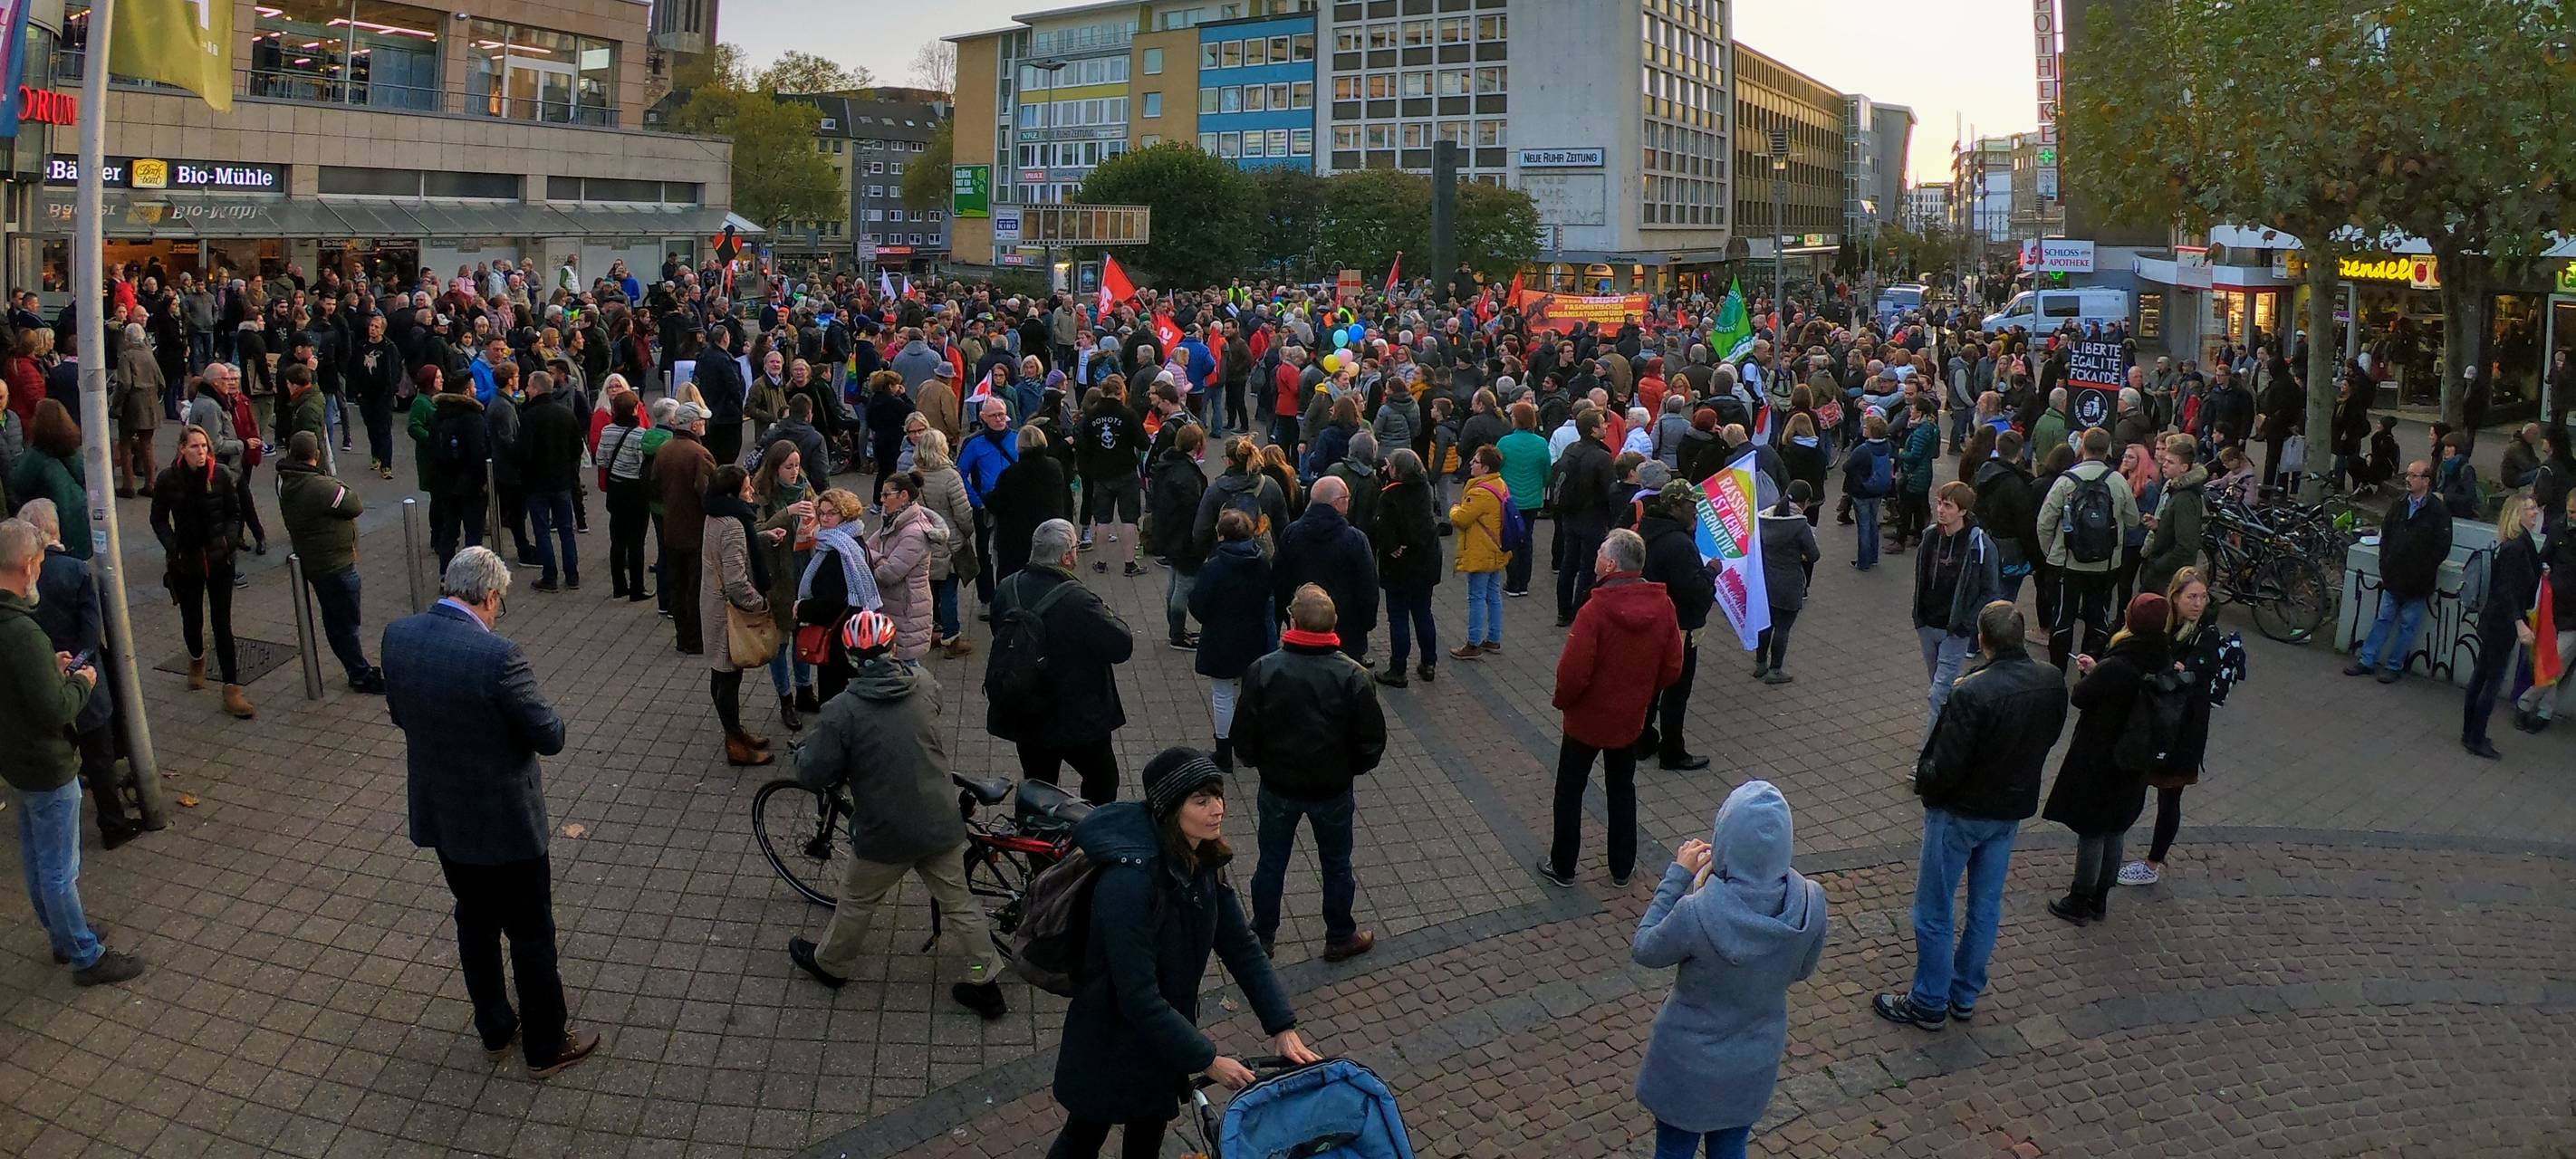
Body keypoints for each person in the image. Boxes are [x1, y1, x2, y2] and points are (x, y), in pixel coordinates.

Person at [383, 547, 599, 1078]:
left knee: (474, 921)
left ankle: (495, 1027)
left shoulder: (399, 636)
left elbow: (400, 714)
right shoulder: (497, 657)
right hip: (507, 824)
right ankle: (546, 1045)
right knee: (530, 934)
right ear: (491, 595)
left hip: (445, 816)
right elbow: (549, 735)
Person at [1043, 748, 1320, 1159]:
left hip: (1162, 1038)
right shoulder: (1128, 884)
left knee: (1146, 1140)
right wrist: (1208, 1059)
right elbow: (1136, 995)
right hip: (1108, 1038)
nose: (1219, 809)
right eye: (1202, 800)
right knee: (1083, 1136)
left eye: (1218, 796)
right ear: (1170, 809)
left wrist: (1282, 1025)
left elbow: (1241, 946)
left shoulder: (1201, 860)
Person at [783, 608, 1009, 1017]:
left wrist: (807, 757)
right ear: (891, 648)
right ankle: (984, 978)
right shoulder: (923, 683)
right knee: (959, 903)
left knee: (856, 899)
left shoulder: (842, 710)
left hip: (885, 832)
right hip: (940, 819)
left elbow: (815, 772)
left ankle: (831, 965)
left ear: (848, 656)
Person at [1872, 602, 2069, 1031]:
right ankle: (1963, 994)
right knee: (1985, 905)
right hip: (2008, 810)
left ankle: (1928, 1000)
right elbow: (2049, 735)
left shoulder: (1971, 691)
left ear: (1983, 640)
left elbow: (1946, 763)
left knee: (1935, 908)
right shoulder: (2051, 680)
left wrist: (1926, 785)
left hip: (1961, 812)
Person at [1630, 781, 1826, 1159]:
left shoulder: (1697, 912)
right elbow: (1802, 970)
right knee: (1731, 1147)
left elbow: (1645, 948)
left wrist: (1678, 876)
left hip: (1686, 1066)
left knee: (1674, 1149)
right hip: (1753, 1062)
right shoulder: (1810, 904)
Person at [0, 517, 141, 984]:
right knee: (59, 867)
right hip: (47, 764)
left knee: (37, 857)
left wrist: (49, 667)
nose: (41, 570)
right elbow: (54, 709)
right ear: (25, 566)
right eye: (39, 563)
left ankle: (64, 933)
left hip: (16, 760)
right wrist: (80, 682)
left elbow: (24, 688)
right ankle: (84, 953)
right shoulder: (20, 633)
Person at [1233, 583, 1387, 961]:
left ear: (1292, 620)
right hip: (1332, 790)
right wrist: (1346, 770)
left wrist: (1262, 764)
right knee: (1336, 863)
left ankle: (1262, 936)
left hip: (1278, 786)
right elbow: (1371, 743)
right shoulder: (1353, 676)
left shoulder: (1263, 669)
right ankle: (1339, 935)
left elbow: (1243, 736)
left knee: (1270, 861)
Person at [1539, 530, 1685, 888]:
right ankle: (1622, 867)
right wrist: (1642, 693)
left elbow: (1572, 673)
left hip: (1586, 720)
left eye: (1600, 551)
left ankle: (1564, 865)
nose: (1596, 557)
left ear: (1610, 563)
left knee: (1570, 789)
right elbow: (1672, 667)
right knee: (1622, 789)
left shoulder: (1595, 610)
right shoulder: (1663, 605)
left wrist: (1563, 702)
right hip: (1629, 719)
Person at [2042, 593, 2173, 926]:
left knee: (2092, 829)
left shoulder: (2119, 663)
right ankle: (2101, 897)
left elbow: (2082, 698)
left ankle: (2080, 897)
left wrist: (2090, 674)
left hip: (2102, 754)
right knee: (2117, 827)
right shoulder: (2161, 658)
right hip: (2135, 758)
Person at [16, 501, 140, 849]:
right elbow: (90, 632)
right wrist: (82, 669)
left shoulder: (19, 577)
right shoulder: (76, 571)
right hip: (81, 678)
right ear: (56, 528)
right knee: (100, 757)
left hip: (41, 678)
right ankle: (112, 823)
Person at [987, 519, 1134, 802]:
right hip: (1078, 717)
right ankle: (1092, 833)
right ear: (1067, 557)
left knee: (1037, 785)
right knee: (1102, 779)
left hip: (1025, 709)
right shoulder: (1079, 601)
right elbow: (1121, 646)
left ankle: (1036, 841)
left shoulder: (1008, 587)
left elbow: (999, 631)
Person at [2119, 568, 2248, 885]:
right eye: (2192, 596)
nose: (2198, 603)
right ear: (2174, 596)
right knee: (2132, 787)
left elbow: (2193, 676)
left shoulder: (2207, 634)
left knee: (2169, 796)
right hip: (2156, 721)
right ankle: (2112, 846)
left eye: (2203, 597)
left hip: (2183, 729)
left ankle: (2151, 865)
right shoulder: (2165, 626)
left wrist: (2178, 671)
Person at [150, 425, 255, 719]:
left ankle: (232, 688)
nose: (201, 452)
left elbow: (235, 513)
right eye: (195, 446)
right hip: (187, 562)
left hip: (220, 560)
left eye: (205, 447)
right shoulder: (169, 479)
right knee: (192, 618)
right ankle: (196, 657)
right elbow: (158, 518)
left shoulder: (220, 475)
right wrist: (173, 547)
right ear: (182, 449)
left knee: (222, 623)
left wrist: (229, 541)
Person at [275, 431, 383, 693]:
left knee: (338, 620)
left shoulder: (286, 479)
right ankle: (359, 673)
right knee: (345, 623)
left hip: (318, 560)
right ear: (316, 454)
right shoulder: (318, 486)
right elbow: (354, 503)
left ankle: (356, 667)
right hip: (333, 564)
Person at [2036, 428, 2141, 672]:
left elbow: (2044, 522)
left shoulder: (2066, 480)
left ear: (2082, 447)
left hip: (2067, 563)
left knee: (2063, 618)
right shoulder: (2117, 481)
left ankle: (2056, 670)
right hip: (2105, 564)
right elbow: (2133, 520)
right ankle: (2089, 668)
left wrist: (2051, 552)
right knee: (2097, 618)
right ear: (2108, 451)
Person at [2343, 459, 2453, 684]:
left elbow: (2441, 547)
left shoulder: (2437, 511)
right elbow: (2387, 534)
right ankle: (2368, 660)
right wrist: (2386, 563)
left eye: (2414, 476)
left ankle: (2394, 665)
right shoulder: (2400, 504)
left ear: (2426, 480)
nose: (2408, 480)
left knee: (2408, 625)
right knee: (2383, 618)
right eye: (2408, 475)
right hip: (2394, 576)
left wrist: (2422, 570)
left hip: (2418, 581)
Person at [1913, 481, 2003, 738]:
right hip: (1928, 625)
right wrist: (1918, 616)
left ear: (1963, 511)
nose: (1940, 510)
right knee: (1939, 688)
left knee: (1938, 692)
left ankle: (1928, 756)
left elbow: (1990, 590)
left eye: (1948, 506)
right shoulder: (1930, 536)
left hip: (1955, 630)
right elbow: (1921, 575)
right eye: (1940, 503)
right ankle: (1952, 727)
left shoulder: (1980, 545)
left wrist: (1966, 623)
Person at [1188, 509, 1275, 771]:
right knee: (1245, 694)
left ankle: (1223, 751)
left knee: (1222, 695)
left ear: (1222, 535)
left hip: (1221, 639)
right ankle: (1247, 745)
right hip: (1254, 637)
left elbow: (1199, 605)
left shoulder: (1213, 567)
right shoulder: (1262, 562)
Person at [1638, 479, 1716, 769]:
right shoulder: (1679, 544)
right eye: (1690, 506)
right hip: (1680, 629)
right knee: (1676, 691)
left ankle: (1642, 740)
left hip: (1654, 624)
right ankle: (1673, 751)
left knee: (1651, 686)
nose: (1695, 512)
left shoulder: (1650, 531)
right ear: (1673, 506)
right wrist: (1711, 573)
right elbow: (1694, 591)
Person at [703, 465, 776, 766]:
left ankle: (735, 733)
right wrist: (760, 604)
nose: (752, 492)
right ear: (733, 493)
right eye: (747, 488)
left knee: (719, 674)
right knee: (728, 677)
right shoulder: (734, 523)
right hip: (728, 610)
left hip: (712, 603)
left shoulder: (713, 513)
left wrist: (760, 537)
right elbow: (736, 581)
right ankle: (735, 742)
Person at [1271, 474, 1379, 666]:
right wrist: (1367, 623)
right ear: (1337, 502)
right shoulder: (1355, 539)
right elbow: (1368, 587)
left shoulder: (1291, 533)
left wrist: (1284, 616)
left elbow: (1279, 579)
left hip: (1302, 627)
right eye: (1347, 497)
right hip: (1346, 630)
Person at [795, 489, 882, 706]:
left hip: (837, 636)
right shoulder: (847, 541)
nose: (824, 518)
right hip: (851, 633)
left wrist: (802, 608)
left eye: (831, 513)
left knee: (832, 696)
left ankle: (834, 737)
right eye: (821, 513)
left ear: (845, 515)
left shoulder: (840, 551)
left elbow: (833, 602)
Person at [752, 441, 818, 728]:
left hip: (805, 572)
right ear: (774, 468)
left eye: (796, 465)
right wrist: (787, 513)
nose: (794, 472)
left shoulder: (805, 486)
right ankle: (785, 698)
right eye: (788, 467)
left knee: (803, 637)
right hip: (777, 578)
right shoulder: (761, 494)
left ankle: (804, 689)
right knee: (780, 642)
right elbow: (752, 532)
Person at [1371, 448, 1442, 686]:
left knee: (1399, 617)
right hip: (1426, 563)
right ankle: (1429, 662)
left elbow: (1383, 528)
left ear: (1396, 470)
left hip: (1400, 567)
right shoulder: (1423, 489)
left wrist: (1391, 546)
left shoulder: (1391, 495)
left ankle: (1398, 668)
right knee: (1423, 613)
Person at [653, 403, 718, 654]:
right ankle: (695, 639)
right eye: (702, 420)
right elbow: (707, 494)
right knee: (696, 587)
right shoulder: (699, 454)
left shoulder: (665, 450)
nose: (704, 424)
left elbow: (655, 484)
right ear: (694, 425)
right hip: (696, 531)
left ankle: (682, 637)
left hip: (671, 528)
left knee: (677, 585)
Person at [914, 430, 981, 657]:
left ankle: (931, 631)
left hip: (922, 540)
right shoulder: (951, 477)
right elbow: (963, 514)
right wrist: (967, 534)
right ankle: (951, 638)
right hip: (948, 541)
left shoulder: (912, 474)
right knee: (948, 591)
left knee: (927, 590)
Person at [2514, 491, 2576, 733]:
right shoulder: (2560, 528)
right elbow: (2544, 556)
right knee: (2554, 665)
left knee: (2555, 665)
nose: (2571, 517)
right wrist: (2545, 568)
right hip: (2554, 608)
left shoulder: (2561, 527)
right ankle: (2544, 711)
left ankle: (2527, 703)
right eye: (2570, 512)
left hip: (2570, 614)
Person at [517, 370, 583, 592]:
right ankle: (572, 575)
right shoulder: (565, 414)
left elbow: (523, 452)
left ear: (536, 389)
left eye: (528, 385)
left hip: (537, 483)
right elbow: (577, 447)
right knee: (566, 529)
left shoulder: (528, 417)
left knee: (542, 529)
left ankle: (550, 575)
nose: (526, 389)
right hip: (562, 481)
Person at [1146, 423, 1210, 651]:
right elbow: (1194, 509)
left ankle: (1175, 628)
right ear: (1197, 444)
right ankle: (1177, 633)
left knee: (1174, 582)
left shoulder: (1167, 465)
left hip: (1168, 533)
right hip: (1184, 537)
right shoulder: (1187, 474)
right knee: (1183, 585)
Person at [1553, 408, 1619, 626]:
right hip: (1593, 518)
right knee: (1589, 567)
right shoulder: (1602, 457)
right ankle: (1580, 611)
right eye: (1602, 423)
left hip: (1569, 516)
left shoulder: (1571, 449)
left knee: (1568, 563)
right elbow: (1611, 491)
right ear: (1593, 430)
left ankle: (1563, 612)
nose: (1606, 426)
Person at [1447, 445, 1512, 657]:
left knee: (1476, 596)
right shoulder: (1500, 484)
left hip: (1480, 551)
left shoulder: (1479, 492)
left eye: (1474, 461)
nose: (1470, 464)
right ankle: (1494, 638)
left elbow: (1461, 519)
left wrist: (1454, 507)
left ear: (1484, 467)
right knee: (1493, 595)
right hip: (1496, 549)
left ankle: (1473, 643)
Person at [987, 424, 1072, 588]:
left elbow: (996, 504)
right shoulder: (1054, 467)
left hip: (1016, 539)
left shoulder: (1010, 474)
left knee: (1015, 582)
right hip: (1049, 533)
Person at [870, 470, 941, 663]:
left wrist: (877, 560)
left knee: (908, 667)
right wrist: (881, 558)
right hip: (893, 608)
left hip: (907, 612)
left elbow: (888, 574)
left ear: (903, 496)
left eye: (886, 495)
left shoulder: (914, 533)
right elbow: (866, 549)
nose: (881, 500)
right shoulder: (892, 522)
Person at [1754, 481, 1820, 684]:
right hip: (1788, 583)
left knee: (1766, 624)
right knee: (1783, 627)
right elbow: (1814, 555)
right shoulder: (1800, 525)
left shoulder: (1766, 517)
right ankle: (1775, 670)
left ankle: (1760, 664)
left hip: (1766, 579)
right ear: (1806, 502)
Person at [10, 401, 88, 560]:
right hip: (79, 525)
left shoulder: (36, 458)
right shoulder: (75, 451)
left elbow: (18, 484)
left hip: (49, 527)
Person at [595, 390, 654, 601]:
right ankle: (637, 588)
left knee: (617, 539)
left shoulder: (607, 430)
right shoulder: (640, 434)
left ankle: (619, 585)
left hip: (615, 489)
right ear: (636, 409)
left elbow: (601, 459)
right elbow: (642, 466)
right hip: (635, 491)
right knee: (636, 541)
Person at [2135, 434, 2207, 598]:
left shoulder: (2184, 498)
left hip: (2166, 577)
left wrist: (2158, 564)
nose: (2164, 465)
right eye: (2165, 460)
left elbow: (2186, 546)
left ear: (2184, 468)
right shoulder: (2177, 491)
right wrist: (2159, 525)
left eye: (2170, 462)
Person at [1496, 401, 1550, 596]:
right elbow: (1546, 472)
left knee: (1510, 539)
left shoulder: (1504, 443)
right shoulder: (1541, 443)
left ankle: (1513, 582)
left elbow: (1497, 469)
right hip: (1533, 500)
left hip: (1510, 500)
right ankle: (1524, 584)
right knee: (1526, 540)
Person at [113, 322, 163, 496]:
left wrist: (116, 405)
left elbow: (124, 383)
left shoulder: (126, 356)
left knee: (125, 443)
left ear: (127, 338)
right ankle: (151, 483)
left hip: (131, 404)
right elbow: (161, 382)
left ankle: (128, 485)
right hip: (150, 404)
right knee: (147, 445)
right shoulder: (149, 356)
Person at [1842, 413, 1896, 570]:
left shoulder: (1863, 450)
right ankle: (1873, 557)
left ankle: (1863, 561)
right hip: (1878, 491)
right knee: (1873, 522)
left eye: (1865, 427)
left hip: (1861, 491)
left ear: (1870, 431)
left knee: (1864, 526)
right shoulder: (1888, 445)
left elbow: (1847, 467)